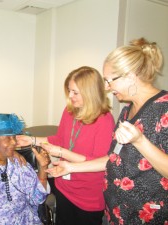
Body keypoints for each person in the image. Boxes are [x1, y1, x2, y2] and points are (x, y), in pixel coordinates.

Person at [45, 38, 168, 225]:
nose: (107, 88)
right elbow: (111, 157)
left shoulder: (164, 109)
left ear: (131, 76)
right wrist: (70, 167)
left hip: (147, 214)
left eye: (110, 80)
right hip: (117, 209)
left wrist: (140, 141)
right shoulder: (128, 110)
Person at [17, 66, 115, 225]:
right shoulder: (70, 111)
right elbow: (58, 139)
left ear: (90, 92)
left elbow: (99, 163)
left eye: (75, 92)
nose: (70, 96)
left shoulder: (104, 120)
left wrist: (62, 152)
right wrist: (32, 140)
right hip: (64, 185)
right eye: (69, 90)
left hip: (87, 195)